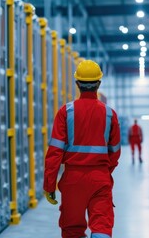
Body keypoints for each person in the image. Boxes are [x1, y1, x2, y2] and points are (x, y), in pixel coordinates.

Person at [43, 60, 121, 238]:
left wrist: (49, 184)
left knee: (72, 229)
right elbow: (115, 151)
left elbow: (54, 152)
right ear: (99, 84)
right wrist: (105, 171)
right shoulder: (109, 114)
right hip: (100, 178)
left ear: (77, 83)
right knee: (102, 225)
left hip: (73, 180)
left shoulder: (66, 112)